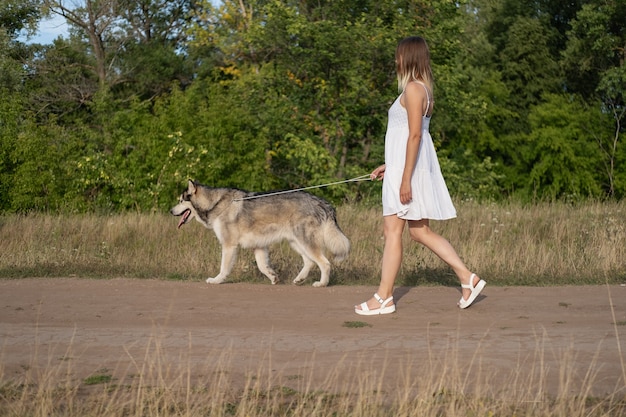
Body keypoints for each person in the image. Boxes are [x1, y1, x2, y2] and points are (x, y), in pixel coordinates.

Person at [355, 36, 485, 315]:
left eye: (398, 55)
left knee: (393, 231)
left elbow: (415, 136)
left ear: (408, 57)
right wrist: (390, 164)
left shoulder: (414, 90)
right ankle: (467, 277)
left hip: (408, 173)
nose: (395, 60)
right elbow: (411, 136)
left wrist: (403, 178)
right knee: (419, 231)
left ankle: (384, 297)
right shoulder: (422, 90)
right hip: (404, 168)